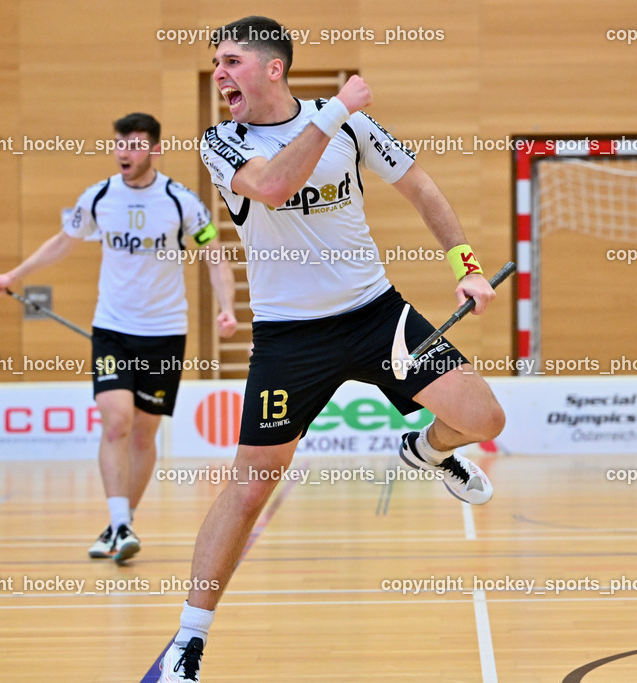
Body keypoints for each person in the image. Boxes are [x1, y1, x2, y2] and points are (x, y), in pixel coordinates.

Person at [158, 16, 505, 682]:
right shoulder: (221, 142)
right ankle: (189, 639)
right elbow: (271, 186)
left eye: (232, 60)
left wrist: (464, 260)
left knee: (485, 417)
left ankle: (427, 449)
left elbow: (422, 187)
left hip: (375, 314)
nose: (220, 73)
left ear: (272, 68)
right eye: (216, 63)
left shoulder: (347, 126)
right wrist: (337, 108)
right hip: (290, 336)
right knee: (251, 487)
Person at [0, 113, 237, 565]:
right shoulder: (99, 197)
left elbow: (213, 252)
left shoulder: (182, 202)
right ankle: (119, 521)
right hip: (113, 329)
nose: (124, 152)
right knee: (116, 419)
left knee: (144, 434)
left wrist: (227, 307)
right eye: (120, 143)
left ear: (154, 150)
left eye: (135, 144)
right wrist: (14, 275)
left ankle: (122, 524)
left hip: (164, 333)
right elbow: (64, 242)